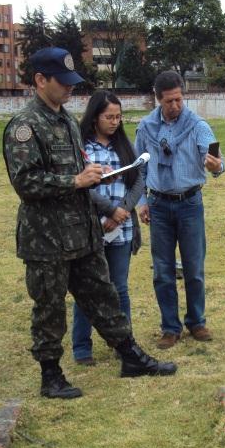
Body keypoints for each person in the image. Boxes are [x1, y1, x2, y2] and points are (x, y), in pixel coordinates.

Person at [2, 47, 177, 399]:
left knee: (104, 295)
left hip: (83, 233)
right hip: (47, 239)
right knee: (49, 308)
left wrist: (95, 176)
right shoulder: (24, 127)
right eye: (63, 82)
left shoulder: (66, 121)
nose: (70, 88)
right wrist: (76, 182)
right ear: (40, 80)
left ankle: (130, 357)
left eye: (72, 82)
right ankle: (51, 375)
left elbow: (76, 171)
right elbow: (25, 182)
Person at [136, 70, 225, 349]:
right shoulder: (146, 127)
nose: (175, 106)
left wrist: (215, 166)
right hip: (159, 205)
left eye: (179, 99)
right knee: (162, 270)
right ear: (157, 99)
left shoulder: (198, 125)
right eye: (169, 101)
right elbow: (138, 168)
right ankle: (170, 327)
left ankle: (197, 322)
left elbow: (218, 162)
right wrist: (141, 203)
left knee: (194, 268)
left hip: (189, 204)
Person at [71, 90, 144, 366]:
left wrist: (123, 210)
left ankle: (124, 344)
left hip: (122, 230)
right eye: (109, 117)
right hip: (93, 229)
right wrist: (109, 210)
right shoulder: (83, 148)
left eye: (118, 117)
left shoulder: (124, 146)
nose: (114, 122)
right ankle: (81, 347)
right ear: (95, 117)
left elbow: (138, 179)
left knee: (119, 288)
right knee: (88, 289)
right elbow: (83, 187)